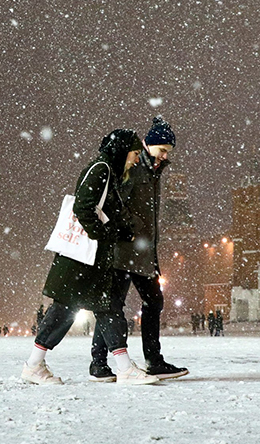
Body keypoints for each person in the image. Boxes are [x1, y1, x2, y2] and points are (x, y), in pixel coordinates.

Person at [22, 129, 159, 385]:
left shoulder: (108, 171)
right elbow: (83, 207)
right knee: (72, 310)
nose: (134, 160)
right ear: (122, 151)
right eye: (133, 154)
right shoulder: (101, 169)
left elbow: (107, 210)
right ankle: (35, 365)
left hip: (89, 260)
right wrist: (104, 234)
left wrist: (122, 230)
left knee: (98, 309)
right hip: (82, 260)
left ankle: (122, 367)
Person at [90, 118, 187, 381]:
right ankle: (98, 364)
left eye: (169, 151)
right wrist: (132, 226)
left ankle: (153, 360)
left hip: (144, 251)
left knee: (153, 301)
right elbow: (114, 200)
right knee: (113, 306)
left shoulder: (155, 169)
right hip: (124, 249)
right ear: (149, 144)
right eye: (163, 150)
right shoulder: (133, 165)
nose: (166, 155)